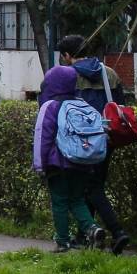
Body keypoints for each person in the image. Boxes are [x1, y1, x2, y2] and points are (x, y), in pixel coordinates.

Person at [60, 34, 133, 255]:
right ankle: (86, 235)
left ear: (67, 55)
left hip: (80, 140)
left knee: (90, 187)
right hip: (105, 138)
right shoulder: (109, 73)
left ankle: (117, 232)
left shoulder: (68, 75)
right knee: (92, 185)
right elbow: (121, 106)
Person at [32, 59, 96, 252]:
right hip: (83, 161)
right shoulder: (81, 103)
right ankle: (92, 228)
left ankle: (62, 241)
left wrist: (39, 165)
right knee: (77, 199)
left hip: (57, 163)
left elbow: (42, 137)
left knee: (59, 201)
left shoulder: (50, 106)